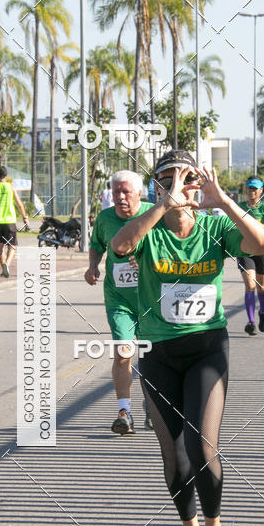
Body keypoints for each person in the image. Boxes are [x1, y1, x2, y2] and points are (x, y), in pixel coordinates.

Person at [111, 149, 264, 526]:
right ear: (159, 187)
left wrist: (225, 202)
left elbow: (262, 244)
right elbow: (120, 245)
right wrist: (165, 203)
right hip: (158, 353)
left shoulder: (217, 226)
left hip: (207, 349)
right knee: (174, 455)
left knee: (202, 444)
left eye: (191, 180)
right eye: (171, 180)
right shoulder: (148, 228)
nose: (184, 187)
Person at [85, 171, 153, 434]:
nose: (121, 197)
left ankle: (154, 402)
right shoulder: (105, 218)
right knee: (124, 352)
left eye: (126, 192)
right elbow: (97, 245)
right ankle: (125, 412)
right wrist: (92, 265)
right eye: (116, 192)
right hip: (119, 300)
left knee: (152, 354)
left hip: (153, 298)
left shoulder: (153, 214)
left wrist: (147, 259)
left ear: (139, 193)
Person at [237, 176, 264, 335]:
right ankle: (251, 322)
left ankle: (262, 312)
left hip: (262, 251)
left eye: (255, 188)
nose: (251, 191)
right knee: (250, 285)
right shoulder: (240, 207)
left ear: (261, 190)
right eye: (249, 188)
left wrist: (260, 225)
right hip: (244, 251)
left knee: (261, 287)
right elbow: (230, 223)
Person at [0, 166, 29, 277]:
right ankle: (7, 264)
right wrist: (25, 217)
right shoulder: (11, 187)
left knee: (0, 247)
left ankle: (3, 267)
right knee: (12, 245)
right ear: (6, 175)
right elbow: (19, 204)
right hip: (10, 221)